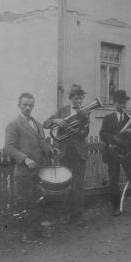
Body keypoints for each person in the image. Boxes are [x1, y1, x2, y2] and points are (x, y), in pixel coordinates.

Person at [4, 92, 58, 243]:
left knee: (37, 202)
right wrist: (25, 159)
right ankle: (24, 235)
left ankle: (35, 231)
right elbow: (8, 148)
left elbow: (42, 143)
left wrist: (51, 150)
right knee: (24, 203)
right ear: (19, 106)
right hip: (23, 172)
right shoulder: (13, 125)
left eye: (30, 105)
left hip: (38, 171)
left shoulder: (37, 124)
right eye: (24, 105)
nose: (28, 108)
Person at [43, 84, 89, 224]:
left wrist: (77, 130)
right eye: (76, 98)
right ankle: (67, 215)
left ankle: (78, 216)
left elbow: (86, 133)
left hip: (79, 154)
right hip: (65, 153)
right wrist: (56, 121)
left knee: (78, 186)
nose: (79, 101)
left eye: (81, 98)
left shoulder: (85, 112)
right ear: (71, 98)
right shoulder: (62, 111)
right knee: (66, 185)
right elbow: (45, 124)